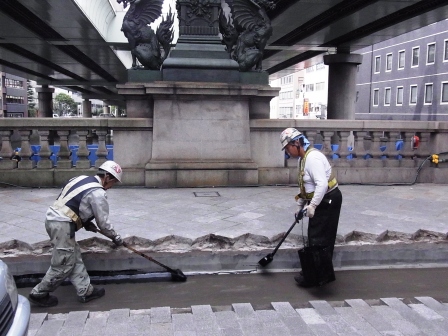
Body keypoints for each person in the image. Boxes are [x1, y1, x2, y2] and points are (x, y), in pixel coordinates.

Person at [28, 160, 124, 307]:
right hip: (62, 225)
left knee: (73, 255)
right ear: (107, 177)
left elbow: (71, 202)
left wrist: (85, 222)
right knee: (63, 264)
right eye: (114, 183)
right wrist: (115, 237)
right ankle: (39, 293)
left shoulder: (80, 178)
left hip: (53, 219)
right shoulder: (98, 193)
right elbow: (103, 224)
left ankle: (85, 290)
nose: (111, 187)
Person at [280, 128, 342, 287]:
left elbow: (321, 184)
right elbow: (305, 185)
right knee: (314, 236)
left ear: (297, 143)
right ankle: (312, 273)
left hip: (328, 199)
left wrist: (313, 205)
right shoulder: (302, 159)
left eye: (288, 147)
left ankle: (318, 276)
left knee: (320, 238)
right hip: (321, 198)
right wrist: (301, 204)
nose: (287, 151)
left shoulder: (312, 158)